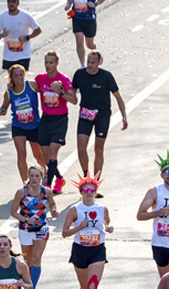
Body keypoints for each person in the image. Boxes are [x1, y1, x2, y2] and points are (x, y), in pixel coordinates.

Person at [62, 171, 113, 289]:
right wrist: (79, 227)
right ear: (81, 192)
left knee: (92, 287)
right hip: (80, 250)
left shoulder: (102, 209)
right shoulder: (74, 209)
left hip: (97, 250)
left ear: (96, 192)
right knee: (84, 288)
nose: (89, 192)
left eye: (92, 189)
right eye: (86, 190)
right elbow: (64, 233)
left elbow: (106, 224)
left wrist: (109, 229)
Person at [72, 50, 128, 192]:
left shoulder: (106, 76)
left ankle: (95, 183)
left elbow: (118, 97)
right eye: (88, 62)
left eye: (93, 62)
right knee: (81, 147)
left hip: (102, 115)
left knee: (98, 149)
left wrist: (124, 116)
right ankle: (86, 176)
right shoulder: (80, 74)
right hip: (85, 113)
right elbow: (71, 91)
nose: (89, 65)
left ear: (99, 63)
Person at [10, 165, 58, 289]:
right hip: (25, 229)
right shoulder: (21, 192)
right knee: (28, 261)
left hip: (41, 227)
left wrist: (54, 211)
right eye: (32, 176)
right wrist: (26, 219)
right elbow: (13, 212)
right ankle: (27, 282)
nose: (34, 179)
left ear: (42, 177)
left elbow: (52, 204)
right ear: (28, 177)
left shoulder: (46, 191)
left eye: (37, 176)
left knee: (36, 259)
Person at [34, 50, 77, 194]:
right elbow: (29, 87)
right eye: (46, 62)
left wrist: (61, 91)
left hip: (60, 120)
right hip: (46, 119)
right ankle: (59, 178)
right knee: (45, 155)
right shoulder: (40, 78)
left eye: (51, 62)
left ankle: (48, 187)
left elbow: (74, 100)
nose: (48, 65)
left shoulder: (63, 79)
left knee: (53, 152)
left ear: (57, 63)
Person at [0, 65, 44, 183]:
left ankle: (45, 172)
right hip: (18, 126)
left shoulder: (32, 85)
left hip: (34, 125)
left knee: (38, 155)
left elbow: (45, 91)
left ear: (24, 74)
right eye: (16, 76)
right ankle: (25, 182)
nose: (19, 78)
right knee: (21, 154)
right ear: (11, 78)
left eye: (21, 75)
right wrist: (1, 111)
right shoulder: (9, 93)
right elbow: (4, 107)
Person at [0, 0, 42, 71]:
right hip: (8, 56)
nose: (11, 4)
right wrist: (1, 35)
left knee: (20, 79)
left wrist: (27, 37)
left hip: (23, 55)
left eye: (13, 2)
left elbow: (38, 30)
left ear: (18, 3)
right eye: (9, 2)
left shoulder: (25, 16)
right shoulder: (2, 17)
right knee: (11, 80)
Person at [65, 0, 104, 68]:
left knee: (89, 44)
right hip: (77, 18)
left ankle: (97, 55)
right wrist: (68, 4)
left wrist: (96, 3)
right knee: (79, 41)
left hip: (89, 18)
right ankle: (82, 65)